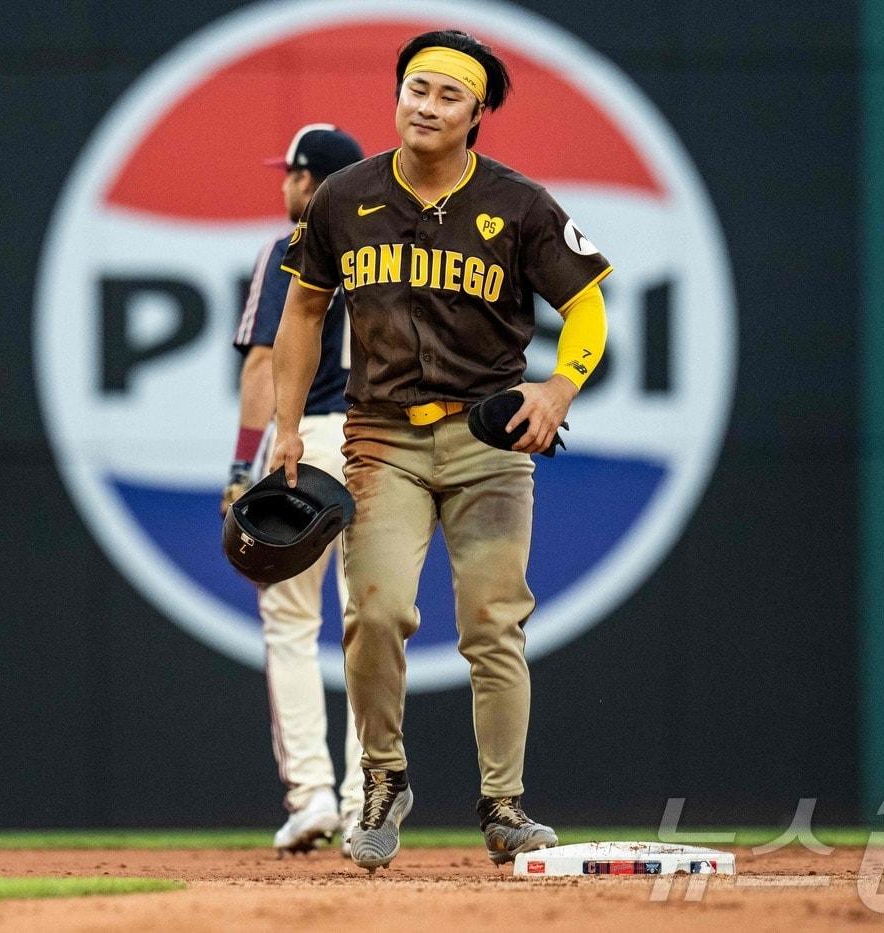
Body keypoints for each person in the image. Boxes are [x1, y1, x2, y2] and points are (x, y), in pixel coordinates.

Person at [271, 31, 612, 871]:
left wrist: (558, 389)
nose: (426, 106)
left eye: (447, 95)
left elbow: (590, 308)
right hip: (382, 434)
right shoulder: (343, 198)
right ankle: (382, 780)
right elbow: (304, 314)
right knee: (376, 613)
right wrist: (284, 427)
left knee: (494, 623)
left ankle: (504, 804)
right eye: (415, 88)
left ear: (477, 115)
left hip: (487, 437)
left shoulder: (520, 204)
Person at [224, 124, 366, 856]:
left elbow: (262, 367)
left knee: (290, 623)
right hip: (378, 447)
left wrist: (241, 467)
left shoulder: (286, 252)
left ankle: (311, 795)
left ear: (311, 183)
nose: (284, 184)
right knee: (369, 626)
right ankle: (366, 798)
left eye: (292, 173)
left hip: (300, 443)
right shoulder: (387, 256)